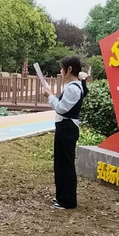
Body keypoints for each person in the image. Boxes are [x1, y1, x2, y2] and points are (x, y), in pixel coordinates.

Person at [42, 56, 87, 210]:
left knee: (65, 164)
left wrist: (50, 96)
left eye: (62, 68)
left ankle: (67, 200)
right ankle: (62, 197)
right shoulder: (74, 86)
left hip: (67, 128)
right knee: (61, 163)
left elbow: (61, 108)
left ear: (69, 69)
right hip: (65, 127)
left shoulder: (73, 88)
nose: (61, 71)